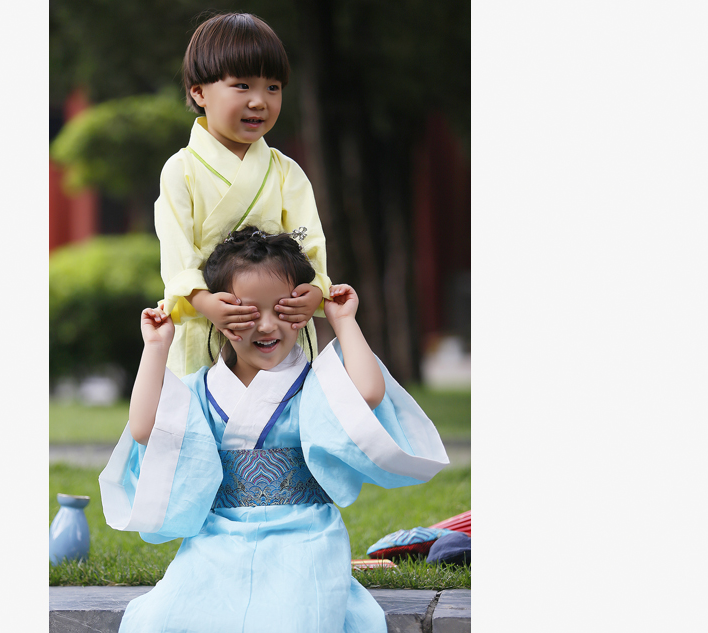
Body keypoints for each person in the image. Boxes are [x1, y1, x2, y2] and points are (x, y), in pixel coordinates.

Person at [99, 227, 449, 633]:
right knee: (165, 619)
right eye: (247, 312)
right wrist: (155, 348)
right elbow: (146, 429)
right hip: (217, 540)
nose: (266, 326)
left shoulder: (314, 385)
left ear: (301, 311)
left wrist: (343, 320)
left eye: (282, 310)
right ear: (221, 314)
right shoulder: (200, 388)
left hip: (303, 538)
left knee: (294, 620)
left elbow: (368, 394)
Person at [156, 12, 331, 377]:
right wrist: (204, 302)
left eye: (272, 87)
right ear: (199, 92)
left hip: (277, 327)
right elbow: (177, 256)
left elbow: (309, 244)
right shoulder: (181, 170)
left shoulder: (286, 172)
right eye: (242, 86)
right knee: (205, 425)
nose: (259, 102)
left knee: (283, 423)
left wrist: (313, 290)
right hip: (209, 324)